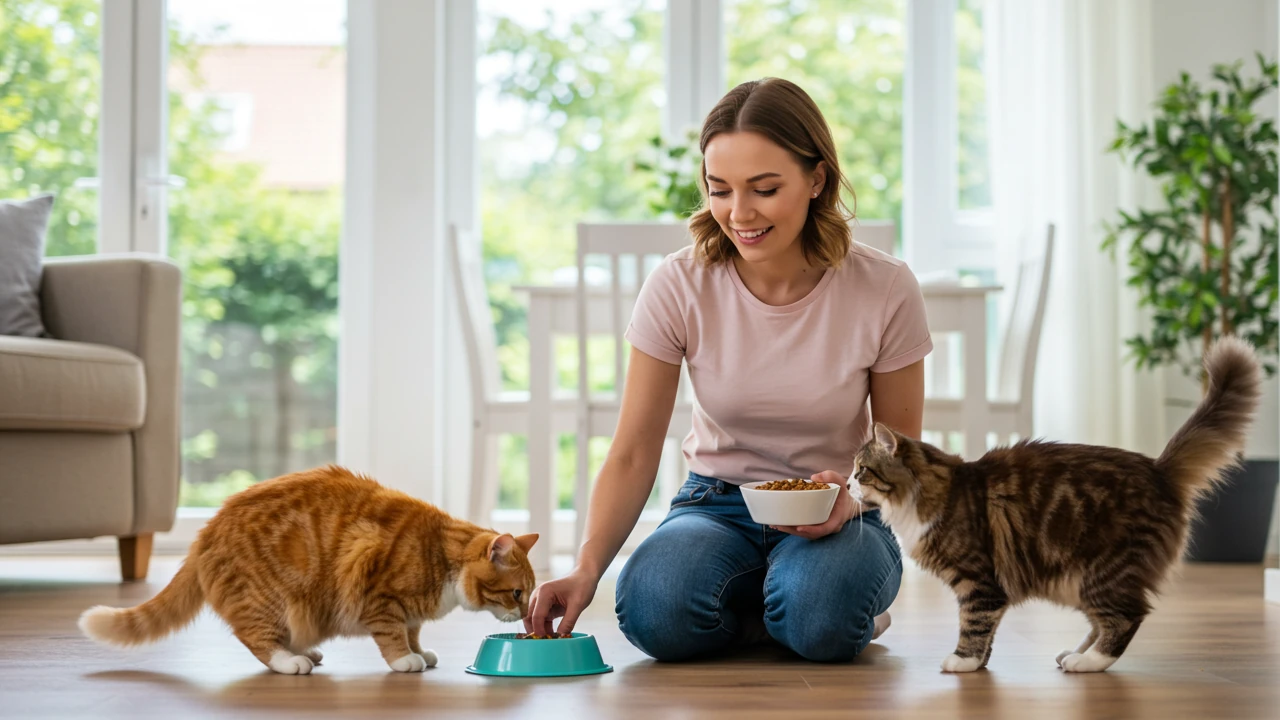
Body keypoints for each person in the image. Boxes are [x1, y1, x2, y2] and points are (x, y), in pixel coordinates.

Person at [524, 77, 932, 662]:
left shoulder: (885, 287)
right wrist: (587, 568)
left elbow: (902, 453)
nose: (738, 214)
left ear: (817, 180)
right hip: (716, 502)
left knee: (822, 616)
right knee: (652, 610)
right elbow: (634, 450)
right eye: (720, 190)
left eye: (764, 189)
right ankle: (790, 612)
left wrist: (850, 501)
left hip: (842, 509)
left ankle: (811, 610)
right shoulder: (679, 283)